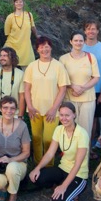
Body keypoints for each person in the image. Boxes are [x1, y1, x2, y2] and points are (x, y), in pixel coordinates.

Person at [29, 102, 89, 201]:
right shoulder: (59, 129)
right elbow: (50, 153)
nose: (64, 118)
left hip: (78, 174)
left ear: (74, 115)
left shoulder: (82, 134)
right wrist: (37, 168)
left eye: (67, 115)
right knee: (37, 177)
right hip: (63, 169)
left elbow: (78, 165)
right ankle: (61, 186)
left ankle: (73, 193)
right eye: (61, 115)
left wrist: (64, 186)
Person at [23, 36, 70, 165]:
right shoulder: (32, 66)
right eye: (41, 46)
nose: (44, 49)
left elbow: (63, 88)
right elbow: (27, 89)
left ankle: (48, 166)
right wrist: (30, 106)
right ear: (37, 49)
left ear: (51, 47)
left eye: (47, 46)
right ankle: (38, 165)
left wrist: (54, 108)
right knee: (37, 138)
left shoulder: (58, 66)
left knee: (49, 140)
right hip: (34, 109)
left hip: (52, 110)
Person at [59, 31, 100, 139]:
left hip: (88, 99)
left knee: (85, 130)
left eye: (81, 40)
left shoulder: (91, 57)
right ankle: (70, 153)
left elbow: (96, 77)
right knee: (70, 128)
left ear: (84, 42)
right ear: (71, 42)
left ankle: (84, 154)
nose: (78, 43)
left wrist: (82, 88)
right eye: (76, 40)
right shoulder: (63, 59)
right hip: (70, 98)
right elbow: (61, 79)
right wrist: (73, 86)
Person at [82, 19, 101, 147]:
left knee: (93, 120)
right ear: (85, 31)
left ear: (98, 31)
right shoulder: (79, 45)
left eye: (93, 29)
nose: (91, 31)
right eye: (88, 28)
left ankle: (91, 145)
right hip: (82, 89)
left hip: (98, 89)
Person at [0, 47, 25, 119]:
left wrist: (20, 116)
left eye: (5, 56)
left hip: (14, 115)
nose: (2, 58)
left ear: (12, 57)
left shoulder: (20, 74)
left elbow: (22, 97)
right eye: (1, 55)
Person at [4, 0, 37, 67]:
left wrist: (37, 36)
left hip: (25, 47)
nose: (19, 3)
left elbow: (33, 27)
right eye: (17, 2)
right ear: (14, 3)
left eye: (20, 2)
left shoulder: (29, 15)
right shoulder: (10, 17)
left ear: (23, 3)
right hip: (12, 46)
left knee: (28, 70)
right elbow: (7, 33)